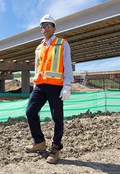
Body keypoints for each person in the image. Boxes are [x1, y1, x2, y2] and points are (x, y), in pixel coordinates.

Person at [25, 14, 74, 164]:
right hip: (40, 85)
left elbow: (67, 64)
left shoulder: (62, 43)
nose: (45, 28)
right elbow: (37, 67)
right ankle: (39, 142)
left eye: (48, 25)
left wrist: (67, 85)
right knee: (30, 111)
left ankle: (55, 149)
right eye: (42, 26)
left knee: (57, 118)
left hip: (56, 86)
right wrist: (34, 84)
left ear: (54, 28)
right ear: (41, 30)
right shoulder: (39, 47)